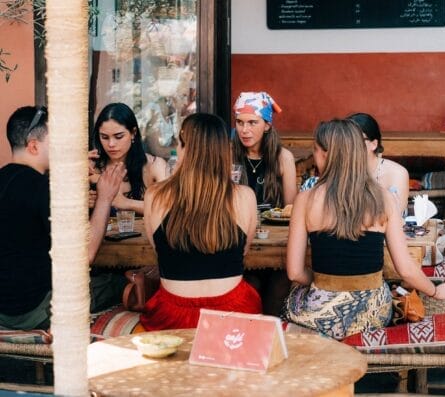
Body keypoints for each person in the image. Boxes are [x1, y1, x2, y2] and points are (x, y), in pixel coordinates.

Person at [283, 119, 445, 340]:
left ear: (327, 154)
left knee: (291, 296)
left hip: (321, 318)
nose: (314, 156)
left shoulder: (305, 200)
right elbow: (406, 269)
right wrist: (436, 291)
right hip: (372, 315)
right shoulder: (382, 198)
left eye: (315, 151)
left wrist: (324, 285)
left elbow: (295, 272)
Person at [0, 106, 127, 330]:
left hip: (5, 307)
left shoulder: (10, 179)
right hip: (32, 310)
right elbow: (85, 254)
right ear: (33, 146)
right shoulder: (43, 188)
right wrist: (105, 198)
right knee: (123, 282)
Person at [140, 113, 262, 330]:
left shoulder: (155, 195)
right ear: (224, 151)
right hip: (233, 313)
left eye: (179, 144)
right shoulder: (245, 196)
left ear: (185, 149)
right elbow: (241, 253)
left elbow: (159, 250)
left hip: (172, 315)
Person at [232, 91, 297, 315]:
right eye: (239, 122)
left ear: (267, 125)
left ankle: (270, 338)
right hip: (239, 240)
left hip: (274, 242)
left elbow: (291, 208)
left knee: (280, 284)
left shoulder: (282, 157)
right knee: (250, 283)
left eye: (252, 122)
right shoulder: (228, 155)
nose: (244, 130)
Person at [301, 112, 409, 217]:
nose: (351, 144)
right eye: (347, 140)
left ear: (374, 144)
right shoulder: (337, 170)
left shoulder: (397, 173)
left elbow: (395, 216)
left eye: (357, 139)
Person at [90, 102, 168, 215]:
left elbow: (169, 208)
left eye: (118, 137)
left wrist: (126, 203)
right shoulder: (92, 167)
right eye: (104, 137)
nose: (111, 144)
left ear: (133, 133)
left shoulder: (154, 166)